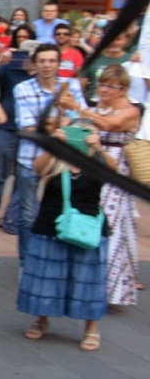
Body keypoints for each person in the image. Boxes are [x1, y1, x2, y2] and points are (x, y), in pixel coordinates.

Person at [18, 116, 109, 352]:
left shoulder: (97, 160)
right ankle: (41, 319)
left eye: (86, 132)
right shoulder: (56, 158)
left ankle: (91, 329)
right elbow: (37, 170)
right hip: (51, 223)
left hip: (88, 226)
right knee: (46, 275)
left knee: (88, 279)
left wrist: (98, 148)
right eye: (75, 131)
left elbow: (114, 174)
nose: (79, 136)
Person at [64, 63, 141, 306]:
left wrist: (77, 107)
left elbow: (111, 126)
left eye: (111, 85)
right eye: (103, 84)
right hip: (92, 165)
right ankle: (87, 281)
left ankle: (111, 288)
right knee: (91, 216)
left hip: (115, 169)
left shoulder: (132, 109)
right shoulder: (99, 108)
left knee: (112, 224)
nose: (105, 89)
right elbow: (87, 125)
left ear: (123, 88)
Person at [12, 43, 83, 253]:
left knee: (63, 210)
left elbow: (81, 119)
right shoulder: (23, 88)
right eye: (42, 61)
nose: (46, 65)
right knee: (27, 216)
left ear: (59, 64)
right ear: (35, 64)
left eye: (51, 61)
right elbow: (28, 126)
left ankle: (56, 258)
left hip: (64, 162)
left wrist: (58, 123)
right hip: (30, 159)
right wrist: (60, 123)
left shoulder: (72, 86)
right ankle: (26, 263)